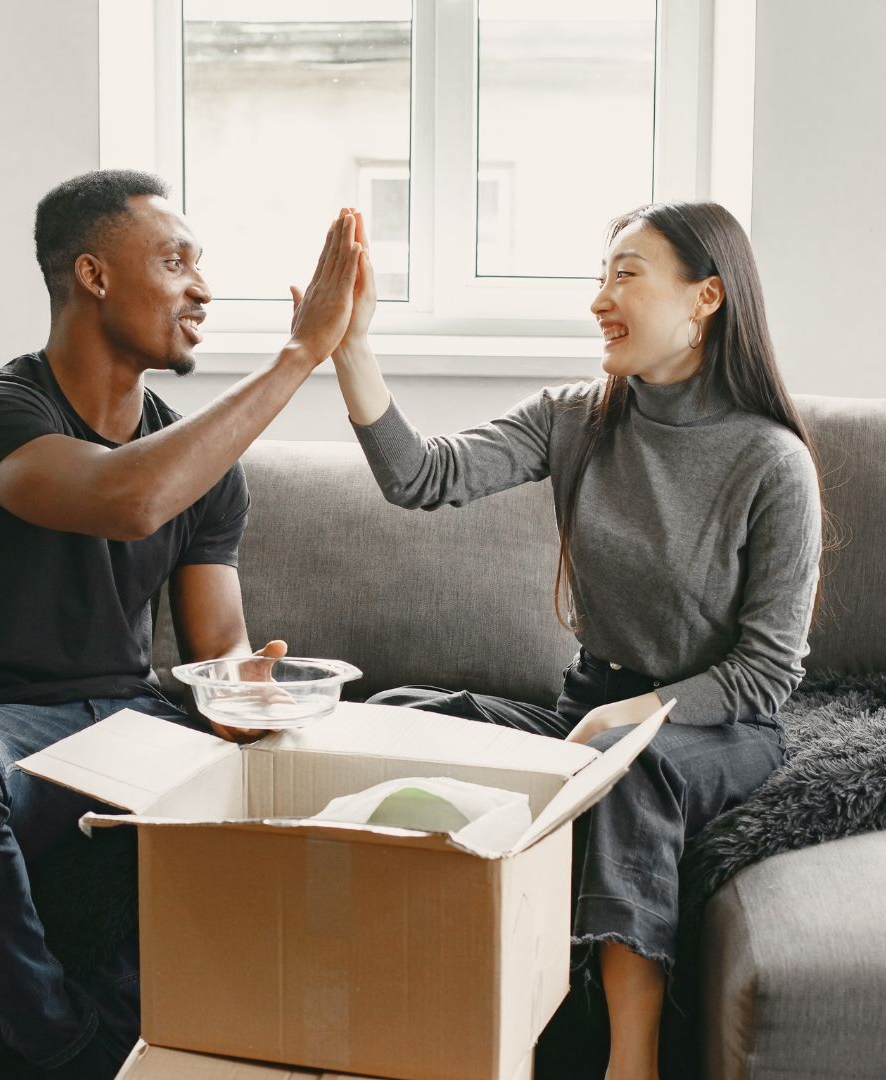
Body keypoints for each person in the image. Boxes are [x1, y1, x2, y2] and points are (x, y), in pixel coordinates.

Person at [0, 170, 361, 1078]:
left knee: (329, 765)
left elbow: (216, 647)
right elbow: (125, 498)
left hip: (134, 725)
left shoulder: (209, 463)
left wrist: (249, 688)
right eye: (176, 261)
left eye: (201, 265)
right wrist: (298, 357)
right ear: (92, 275)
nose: (203, 289)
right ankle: (67, 1047)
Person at [326, 203, 824, 1080]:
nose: (600, 298)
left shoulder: (771, 462)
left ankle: (631, 1059)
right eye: (602, 275)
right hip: (589, 711)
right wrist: (349, 346)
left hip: (718, 733)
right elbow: (421, 476)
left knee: (635, 767)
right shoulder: (575, 418)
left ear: (707, 296)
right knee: (401, 717)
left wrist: (642, 714)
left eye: (626, 274)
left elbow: (768, 670)